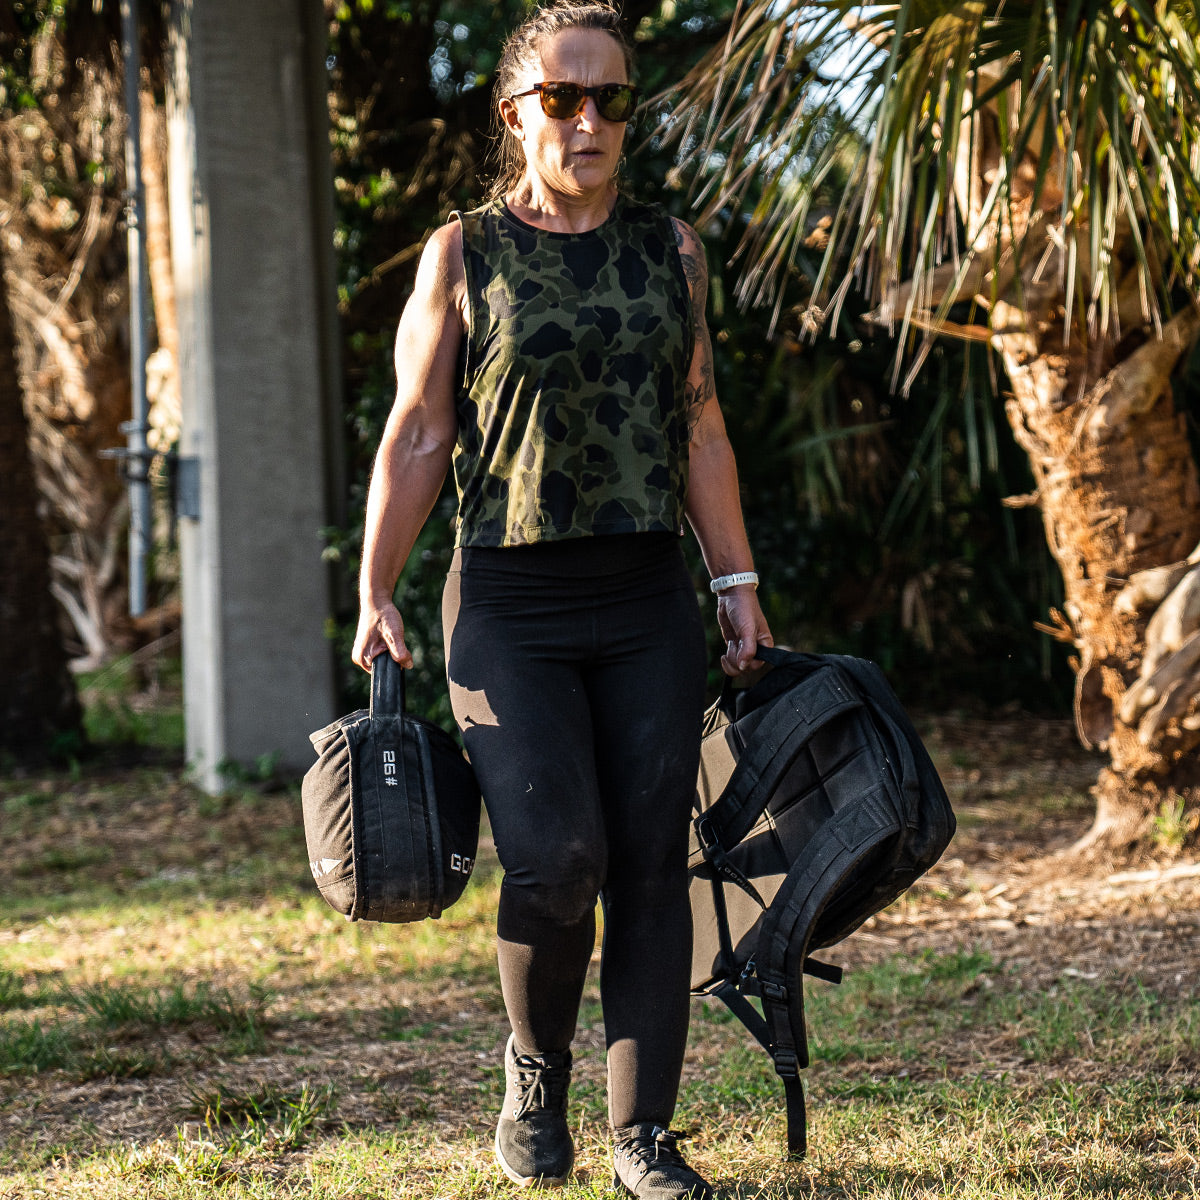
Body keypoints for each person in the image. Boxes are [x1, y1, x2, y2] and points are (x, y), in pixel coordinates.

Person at [352, 3, 772, 1195]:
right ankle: (535, 1070)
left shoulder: (672, 250)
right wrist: (375, 584)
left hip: (644, 596)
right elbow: (422, 429)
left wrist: (734, 583)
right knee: (553, 859)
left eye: (612, 100)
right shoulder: (463, 253)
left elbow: (698, 420)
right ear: (515, 112)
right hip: (508, 600)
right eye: (563, 98)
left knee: (651, 862)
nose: (589, 121)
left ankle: (645, 1132)